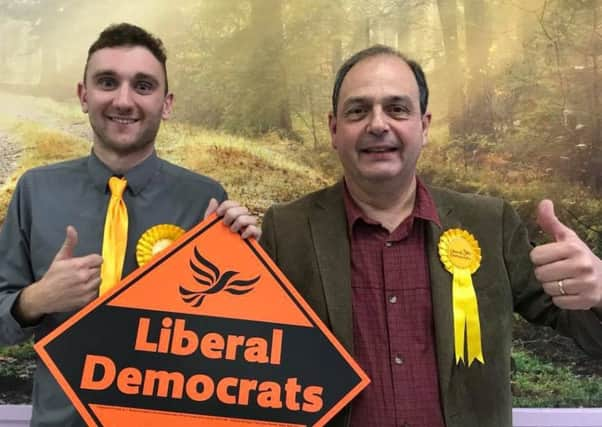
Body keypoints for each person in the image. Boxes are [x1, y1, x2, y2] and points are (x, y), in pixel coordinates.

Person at [260, 45, 602, 427]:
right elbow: (244, 359)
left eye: (397, 108)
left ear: (423, 127)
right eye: (358, 110)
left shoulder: (491, 224)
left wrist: (599, 289)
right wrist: (221, 249)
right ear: (334, 130)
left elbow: (591, 336)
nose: (377, 124)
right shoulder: (285, 231)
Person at [0, 23, 259, 426]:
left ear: (166, 103)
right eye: (107, 82)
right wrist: (36, 300)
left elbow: (238, 345)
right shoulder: (35, 190)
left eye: (142, 86)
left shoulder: (205, 200)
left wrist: (251, 267)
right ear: (84, 96)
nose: (124, 100)